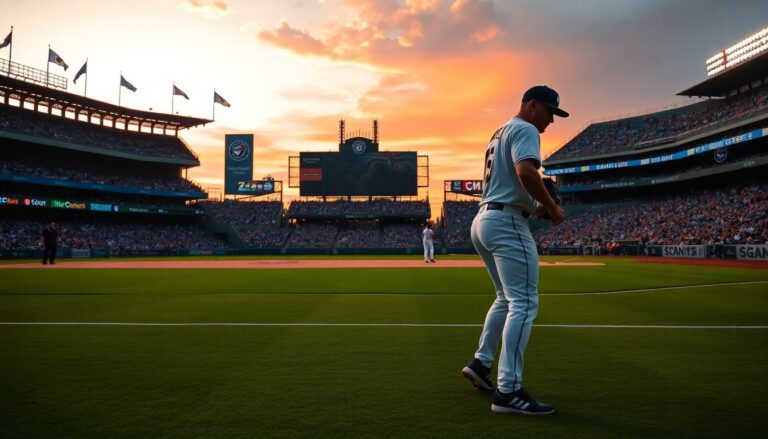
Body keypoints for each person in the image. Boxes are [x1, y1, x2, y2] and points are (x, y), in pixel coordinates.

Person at [461, 85, 567, 415]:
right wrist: (553, 206)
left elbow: (511, 183)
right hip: (505, 222)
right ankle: (508, 390)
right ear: (532, 105)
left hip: (485, 219)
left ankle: (481, 363)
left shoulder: (500, 131)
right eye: (549, 112)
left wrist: (538, 208)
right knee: (524, 302)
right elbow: (525, 172)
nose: (551, 120)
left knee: (505, 298)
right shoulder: (525, 129)